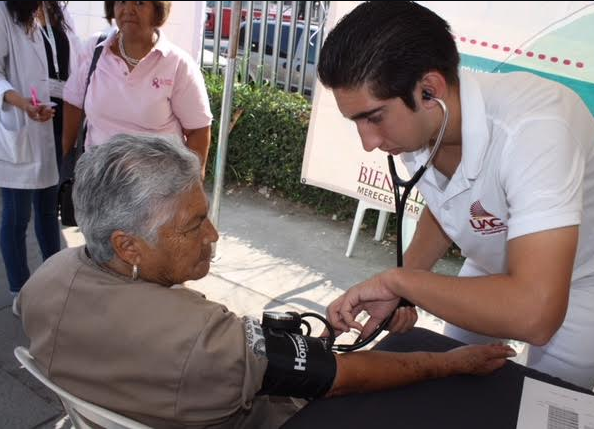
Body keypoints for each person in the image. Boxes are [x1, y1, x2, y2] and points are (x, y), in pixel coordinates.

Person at [18, 134, 515, 429]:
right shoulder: (207, 340)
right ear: (128, 246)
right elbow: (340, 378)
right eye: (193, 225)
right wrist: (452, 362)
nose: (213, 235)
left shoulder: (43, 280)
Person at [318, 1, 594, 390]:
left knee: (549, 400)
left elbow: (537, 314)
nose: (368, 143)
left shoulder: (536, 131)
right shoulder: (424, 126)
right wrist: (405, 288)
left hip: (578, 282)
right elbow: (448, 204)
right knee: (453, 378)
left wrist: (400, 283)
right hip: (490, 267)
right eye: (357, 122)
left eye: (374, 117)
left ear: (430, 90)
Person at [62, 1, 212, 177]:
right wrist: (66, 162)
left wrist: (191, 186)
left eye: (139, 3)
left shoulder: (178, 65)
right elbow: (74, 104)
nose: (128, 10)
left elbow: (198, 131)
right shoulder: (95, 50)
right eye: (121, 2)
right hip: (97, 186)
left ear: (157, 11)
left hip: (156, 193)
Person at [0, 1, 79, 314]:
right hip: (25, 119)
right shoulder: (6, 10)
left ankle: (56, 286)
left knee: (49, 211)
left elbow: (76, 59)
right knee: (17, 215)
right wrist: (21, 103)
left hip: (58, 120)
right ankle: (21, 291)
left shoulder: (58, 11)